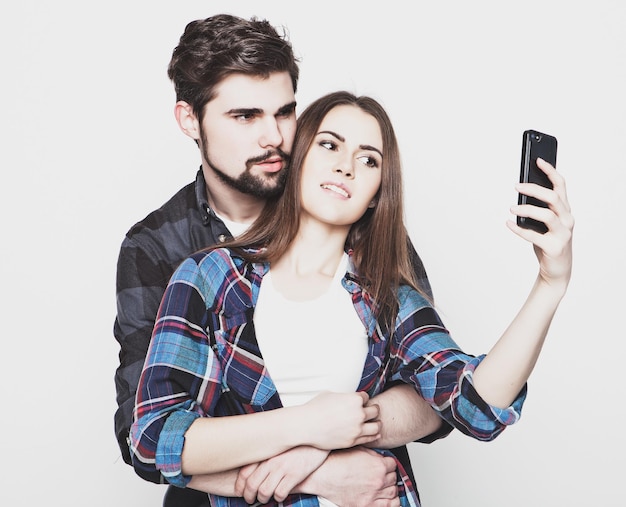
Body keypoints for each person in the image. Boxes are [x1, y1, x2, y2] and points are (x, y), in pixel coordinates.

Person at [129, 91, 574, 506]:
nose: (346, 167)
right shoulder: (212, 277)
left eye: (368, 160)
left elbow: (476, 404)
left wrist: (550, 284)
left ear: (377, 193)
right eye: (329, 145)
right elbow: (154, 437)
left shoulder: (387, 294)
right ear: (297, 158)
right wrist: (311, 431)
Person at [114, 14, 447, 507]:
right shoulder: (157, 247)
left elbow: (432, 395)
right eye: (245, 116)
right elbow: (143, 441)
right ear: (189, 119)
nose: (274, 137)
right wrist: (318, 469)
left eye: (285, 112)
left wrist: (326, 442)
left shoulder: (344, 203)